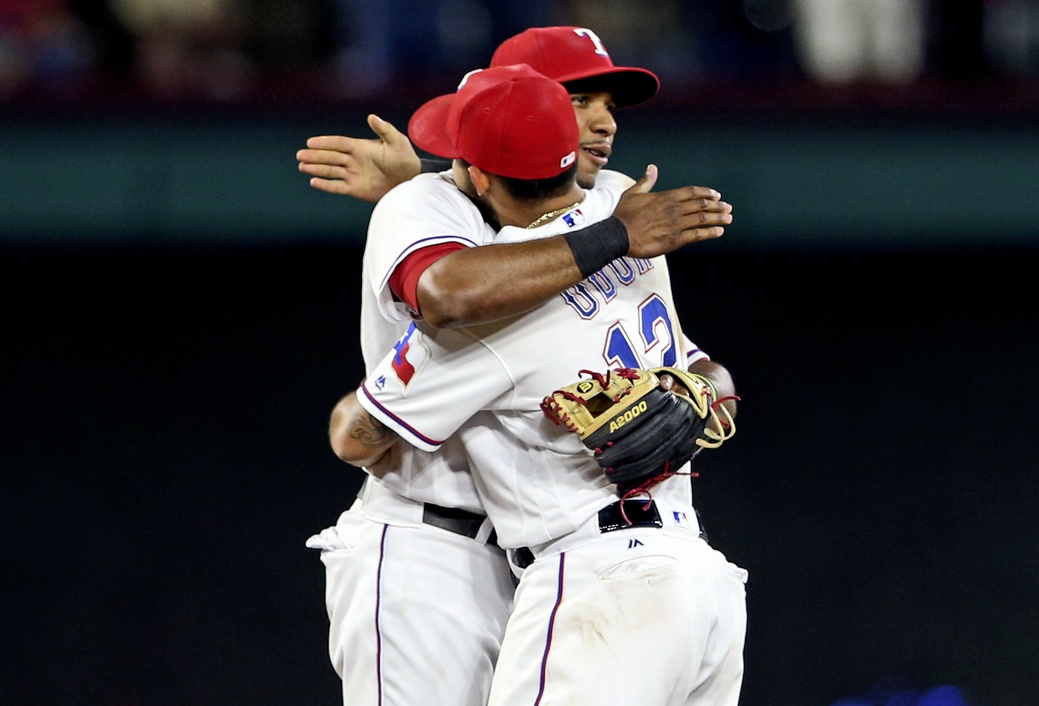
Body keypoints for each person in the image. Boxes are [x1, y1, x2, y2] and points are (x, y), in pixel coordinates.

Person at [305, 27, 733, 706]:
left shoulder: (610, 198)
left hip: (553, 557)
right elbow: (451, 292)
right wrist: (618, 233)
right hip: (431, 543)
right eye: (576, 99)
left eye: (608, 104)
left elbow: (693, 360)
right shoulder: (427, 203)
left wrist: (699, 395)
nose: (600, 121)